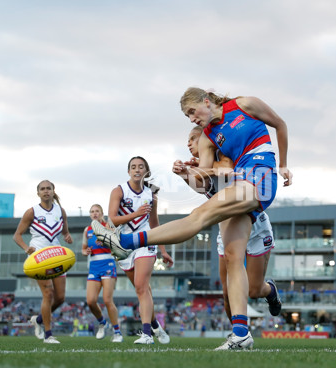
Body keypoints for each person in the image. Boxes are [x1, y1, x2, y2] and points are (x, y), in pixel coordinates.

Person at [93, 87, 291, 350]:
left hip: (260, 174)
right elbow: (203, 183)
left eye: (191, 112)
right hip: (243, 183)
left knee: (199, 217)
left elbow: (280, 124)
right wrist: (186, 172)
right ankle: (241, 334)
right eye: (187, 116)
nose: (191, 119)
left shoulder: (244, 104)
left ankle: (126, 241)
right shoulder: (209, 137)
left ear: (206, 101)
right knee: (232, 255)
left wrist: (284, 164)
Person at [174, 126, 281, 325]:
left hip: (255, 226)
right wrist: (185, 174)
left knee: (254, 290)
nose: (188, 144)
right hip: (228, 229)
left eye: (193, 139)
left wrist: (202, 167)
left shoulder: (224, 155)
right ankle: (238, 335)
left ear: (207, 141)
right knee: (227, 292)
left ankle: (270, 291)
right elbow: (203, 189)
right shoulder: (203, 167)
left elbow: (227, 170)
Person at [107, 156, 173, 345]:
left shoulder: (151, 193)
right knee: (143, 289)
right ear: (129, 171)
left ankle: (146, 335)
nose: (137, 170)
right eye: (133, 167)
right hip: (124, 245)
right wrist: (135, 214)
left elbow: (154, 223)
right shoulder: (118, 190)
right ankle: (155, 326)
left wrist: (163, 249)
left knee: (140, 287)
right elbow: (111, 219)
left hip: (145, 241)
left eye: (141, 167)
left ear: (146, 171)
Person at [13, 180, 73, 344]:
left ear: (54, 191)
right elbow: (17, 236)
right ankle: (48, 335)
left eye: (49, 188)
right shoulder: (31, 212)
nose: (46, 191)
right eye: (42, 189)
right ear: (38, 193)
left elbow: (65, 232)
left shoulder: (61, 211)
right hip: (39, 259)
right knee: (48, 294)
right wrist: (26, 248)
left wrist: (67, 237)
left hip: (57, 256)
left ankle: (38, 320)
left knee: (60, 298)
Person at [82, 204, 123, 343]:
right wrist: (86, 251)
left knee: (107, 300)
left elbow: (117, 244)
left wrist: (105, 243)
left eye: (97, 211)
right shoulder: (87, 230)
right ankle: (102, 323)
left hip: (108, 264)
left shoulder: (108, 226)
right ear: (90, 214)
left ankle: (117, 332)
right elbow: (83, 249)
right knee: (90, 301)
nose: (94, 213)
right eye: (92, 211)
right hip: (94, 266)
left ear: (101, 213)